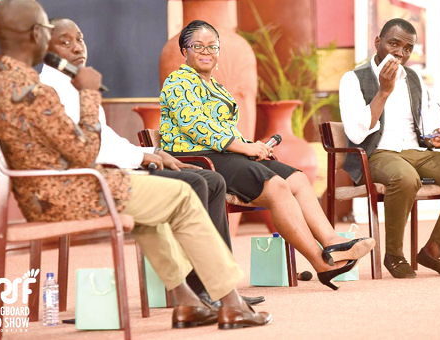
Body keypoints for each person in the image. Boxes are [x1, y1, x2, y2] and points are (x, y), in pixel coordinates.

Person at [0, 0, 270, 329]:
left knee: (152, 206)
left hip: (32, 195)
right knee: (183, 197)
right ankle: (231, 301)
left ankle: (187, 301)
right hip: (72, 192)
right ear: (37, 34)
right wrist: (89, 94)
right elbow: (84, 152)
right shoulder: (35, 92)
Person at [39, 17, 263, 307]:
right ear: (45, 47)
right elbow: (87, 149)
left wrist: (151, 155)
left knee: (213, 181)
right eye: (65, 42)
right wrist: (144, 156)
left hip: (112, 171)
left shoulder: (76, 82)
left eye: (80, 39)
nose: (77, 47)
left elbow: (105, 138)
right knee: (196, 182)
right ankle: (208, 291)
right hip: (91, 181)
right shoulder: (52, 89)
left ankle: (213, 287)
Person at [159, 20, 376, 290]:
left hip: (224, 153)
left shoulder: (215, 85)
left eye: (212, 46)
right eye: (198, 46)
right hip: (199, 158)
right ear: (184, 51)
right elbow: (196, 127)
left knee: (297, 178)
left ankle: (333, 243)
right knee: (276, 187)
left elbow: (225, 130)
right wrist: (243, 147)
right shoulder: (177, 81)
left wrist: (254, 146)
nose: (206, 51)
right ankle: (322, 265)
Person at [339, 18, 440, 279]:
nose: (399, 53)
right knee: (405, 178)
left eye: (407, 48)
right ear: (378, 42)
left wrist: (435, 139)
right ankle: (394, 255)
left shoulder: (414, 78)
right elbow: (356, 133)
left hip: (415, 152)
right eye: (393, 44)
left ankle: (433, 248)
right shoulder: (353, 79)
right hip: (377, 154)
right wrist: (383, 92)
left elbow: (424, 126)